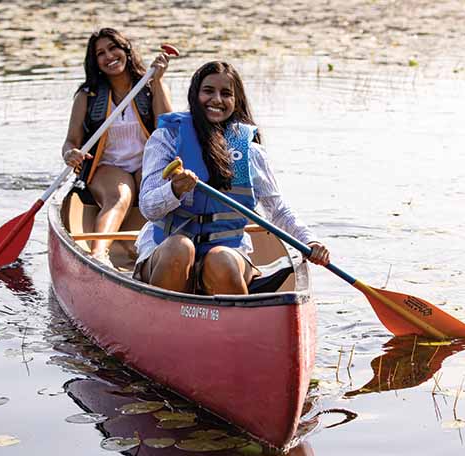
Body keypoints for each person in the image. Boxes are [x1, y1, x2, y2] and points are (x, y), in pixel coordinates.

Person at [134, 61, 330, 294]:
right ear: (194, 95)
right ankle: (163, 319)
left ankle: (241, 321)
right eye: (208, 91)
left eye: (226, 93)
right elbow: (148, 208)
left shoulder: (251, 151)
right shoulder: (166, 139)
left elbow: (277, 209)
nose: (217, 99)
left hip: (227, 251)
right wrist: (173, 190)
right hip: (166, 250)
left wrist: (309, 241)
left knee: (221, 259)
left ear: (236, 102)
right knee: (180, 247)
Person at [62, 28, 172, 264]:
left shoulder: (149, 85)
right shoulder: (86, 96)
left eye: (114, 48)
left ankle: (168, 252)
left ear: (126, 51)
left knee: (163, 193)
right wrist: (70, 154)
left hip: (148, 163)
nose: (109, 56)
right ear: (95, 62)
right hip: (108, 166)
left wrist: (159, 81)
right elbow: (71, 141)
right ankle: (98, 255)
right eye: (101, 53)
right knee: (121, 195)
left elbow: (167, 126)